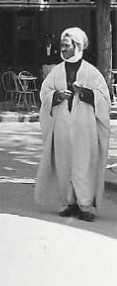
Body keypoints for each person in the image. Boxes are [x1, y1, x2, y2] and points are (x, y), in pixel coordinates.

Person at [35, 26, 110, 222]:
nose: (63, 49)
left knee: (84, 164)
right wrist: (56, 96)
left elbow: (104, 99)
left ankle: (85, 205)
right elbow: (45, 92)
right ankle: (68, 202)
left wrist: (85, 93)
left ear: (77, 46)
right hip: (62, 126)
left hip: (85, 129)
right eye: (62, 46)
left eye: (67, 46)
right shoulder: (56, 71)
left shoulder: (92, 73)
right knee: (64, 163)